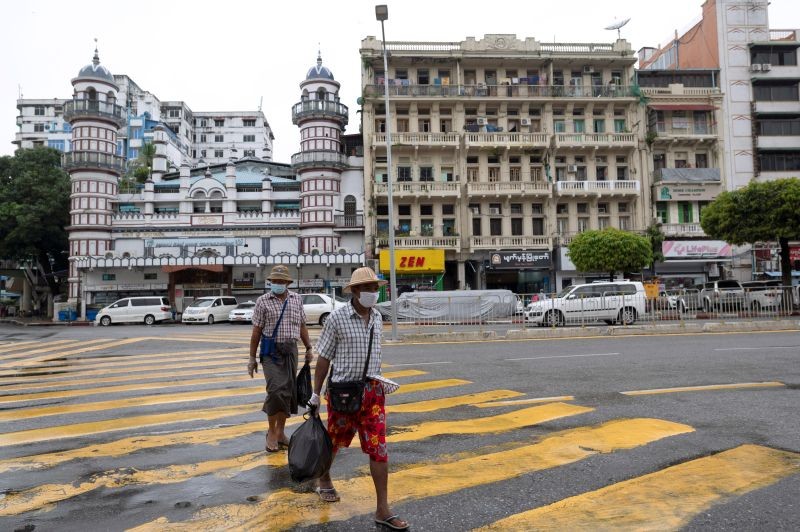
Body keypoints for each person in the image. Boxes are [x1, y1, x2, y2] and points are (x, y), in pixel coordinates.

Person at [309, 267, 408, 531]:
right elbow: (324, 359)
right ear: (354, 291)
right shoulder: (336, 319)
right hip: (342, 393)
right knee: (334, 442)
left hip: (373, 394)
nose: (373, 293)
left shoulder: (377, 318)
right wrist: (315, 394)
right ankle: (325, 477)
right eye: (368, 289)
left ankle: (382, 509)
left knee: (379, 449)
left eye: (375, 288)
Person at [248, 264, 313, 452]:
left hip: (291, 350)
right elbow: (256, 331)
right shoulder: (262, 301)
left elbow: (302, 326)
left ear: (287, 283)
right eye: (274, 281)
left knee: (288, 393)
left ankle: (281, 432)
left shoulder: (296, 299)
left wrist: (309, 348)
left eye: (280, 281)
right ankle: (271, 432)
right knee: (276, 390)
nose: (277, 284)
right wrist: (252, 358)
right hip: (271, 352)